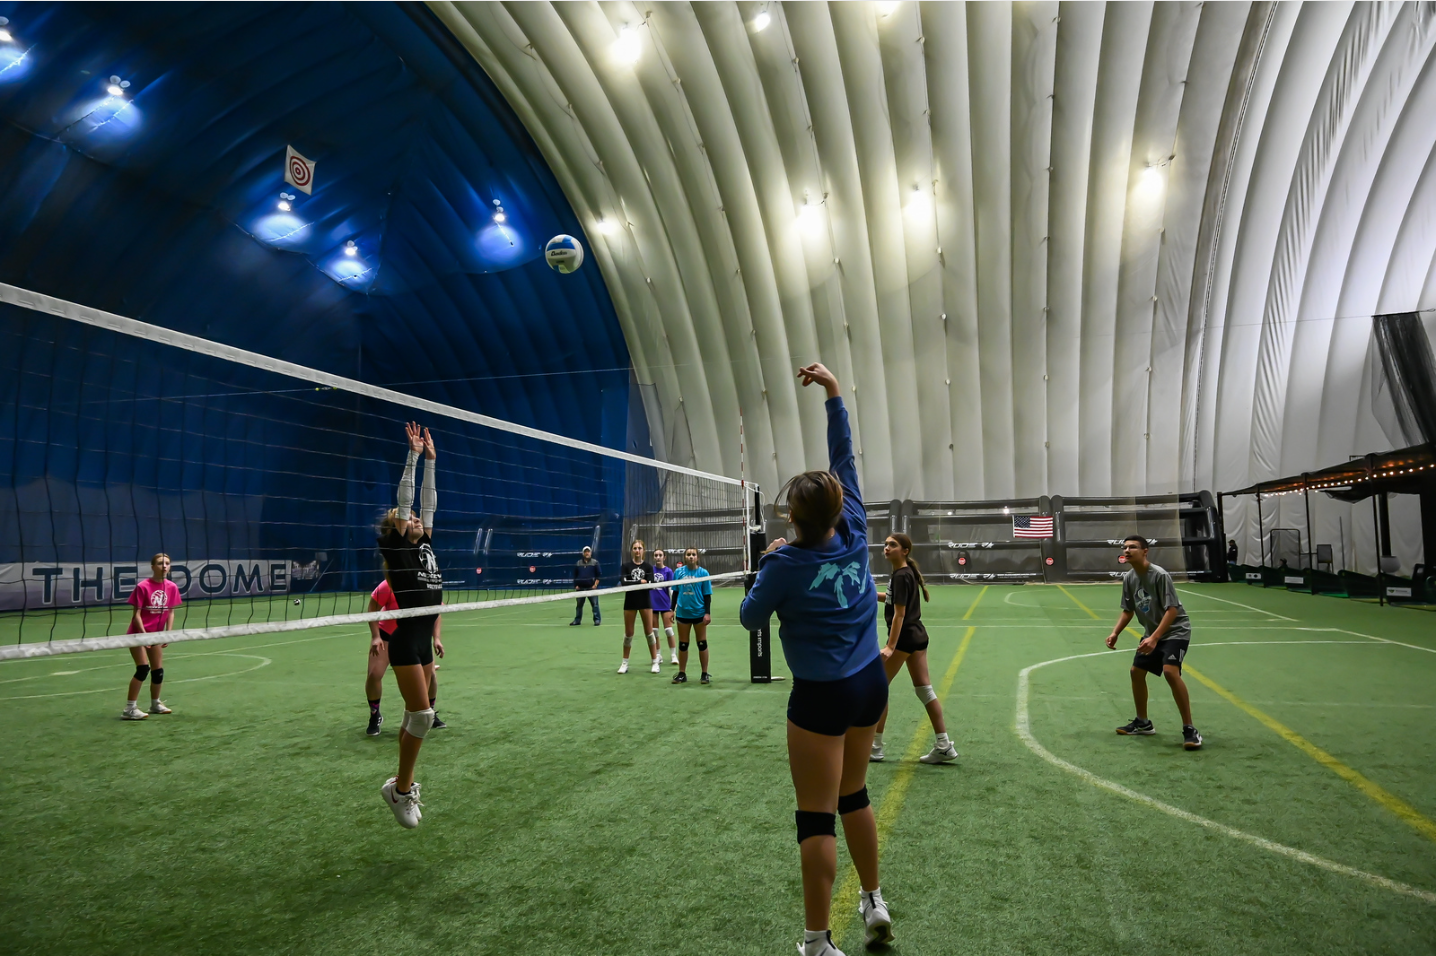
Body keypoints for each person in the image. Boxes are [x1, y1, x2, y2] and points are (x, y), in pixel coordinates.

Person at [740, 363, 893, 956]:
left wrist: (766, 562)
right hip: (868, 686)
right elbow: (844, 454)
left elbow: (751, 618)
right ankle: (874, 899)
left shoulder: (783, 565)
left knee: (815, 817)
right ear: (836, 506)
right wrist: (833, 392)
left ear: (791, 519)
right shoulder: (855, 525)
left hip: (820, 698)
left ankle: (815, 942)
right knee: (854, 794)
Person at [376, 421, 444, 828]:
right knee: (422, 717)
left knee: (413, 718)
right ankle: (401, 790)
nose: (417, 518)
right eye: (411, 518)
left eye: (419, 518)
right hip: (405, 641)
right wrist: (413, 456)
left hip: (422, 641)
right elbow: (406, 505)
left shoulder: (426, 547)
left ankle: (400, 786)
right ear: (400, 528)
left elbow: (428, 504)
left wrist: (431, 463)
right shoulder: (399, 550)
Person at [1106, 535, 1203, 750]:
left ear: (1145, 551)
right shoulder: (1130, 578)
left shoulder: (1159, 575)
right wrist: (1115, 633)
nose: (1127, 550)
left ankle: (1189, 728)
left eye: (1133, 547)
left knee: (1170, 672)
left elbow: (1172, 609)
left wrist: (1155, 638)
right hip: (1152, 632)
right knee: (1136, 672)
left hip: (1175, 631)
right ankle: (1143, 722)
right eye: (1125, 547)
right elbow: (1128, 610)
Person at [870, 533, 957, 764]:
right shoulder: (904, 573)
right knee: (924, 690)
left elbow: (900, 613)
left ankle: (875, 747)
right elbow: (892, 600)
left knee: (878, 688)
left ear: (905, 550)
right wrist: (870, 594)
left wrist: (890, 646)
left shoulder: (901, 575)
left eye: (892, 545)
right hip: (918, 636)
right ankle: (944, 744)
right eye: (885, 544)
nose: (886, 548)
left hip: (905, 639)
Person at [365, 577, 446, 737]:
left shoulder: (428, 585)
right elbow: (372, 608)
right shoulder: (389, 584)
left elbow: (435, 614)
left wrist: (436, 638)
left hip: (415, 636)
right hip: (387, 635)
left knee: (431, 677)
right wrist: (376, 636)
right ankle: (375, 715)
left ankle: (430, 713)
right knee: (374, 674)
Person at [121, 552, 181, 720]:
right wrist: (144, 635)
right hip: (137, 634)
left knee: (158, 671)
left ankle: (155, 703)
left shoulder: (171, 587)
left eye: (167, 563)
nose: (164, 566)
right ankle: (129, 709)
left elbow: (170, 612)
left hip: (156, 635)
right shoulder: (143, 586)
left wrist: (167, 633)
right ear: (153, 566)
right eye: (161, 563)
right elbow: (136, 615)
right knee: (142, 669)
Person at [670, 547, 712, 684]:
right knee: (683, 644)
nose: (691, 557)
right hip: (683, 613)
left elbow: (707, 595)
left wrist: (707, 613)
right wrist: (672, 609)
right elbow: (675, 592)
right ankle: (682, 673)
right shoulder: (678, 572)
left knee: (702, 643)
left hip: (699, 613)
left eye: (693, 554)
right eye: (688, 554)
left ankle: (704, 673)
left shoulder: (703, 573)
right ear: (685, 557)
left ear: (697, 557)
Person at [617, 539, 659, 674]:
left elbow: (651, 584)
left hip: (645, 602)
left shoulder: (648, 567)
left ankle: (655, 661)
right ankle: (624, 663)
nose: (637, 550)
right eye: (635, 548)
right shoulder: (625, 566)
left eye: (639, 548)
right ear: (631, 551)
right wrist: (640, 581)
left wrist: (635, 582)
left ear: (643, 551)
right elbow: (624, 583)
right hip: (630, 601)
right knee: (629, 633)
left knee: (649, 631)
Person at [651, 548, 678, 663]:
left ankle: (673, 655)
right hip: (652, 604)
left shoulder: (668, 571)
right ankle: (658, 654)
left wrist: (673, 607)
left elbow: (671, 589)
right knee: (655, 631)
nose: (658, 557)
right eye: (656, 555)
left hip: (665, 604)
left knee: (668, 630)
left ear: (664, 557)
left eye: (660, 555)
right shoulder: (650, 570)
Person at [571, 545, 602, 625]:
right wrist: (576, 585)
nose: (587, 553)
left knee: (595, 605)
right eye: (585, 552)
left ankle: (597, 620)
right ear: (583, 553)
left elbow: (599, 575)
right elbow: (575, 575)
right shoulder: (578, 563)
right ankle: (577, 620)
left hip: (591, 588)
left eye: (588, 551)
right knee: (579, 606)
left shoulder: (595, 563)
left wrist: (595, 585)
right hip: (580, 588)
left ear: (591, 553)